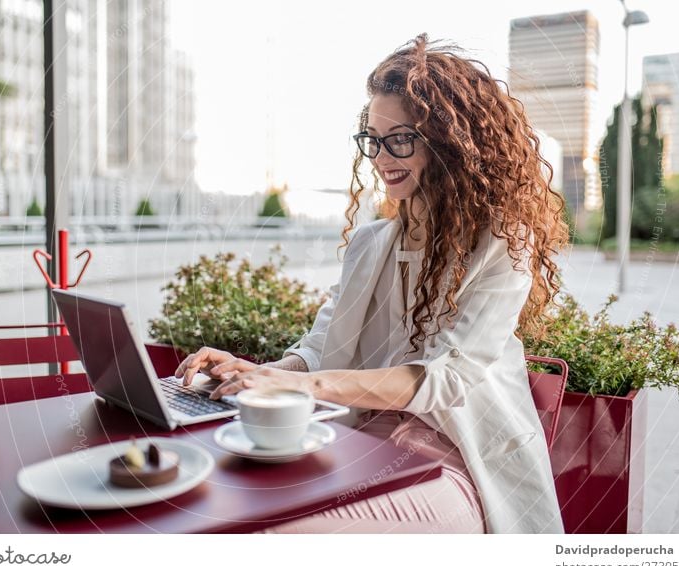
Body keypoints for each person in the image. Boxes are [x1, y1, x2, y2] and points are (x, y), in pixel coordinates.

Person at [175, 33, 569, 534]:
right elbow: (323, 346)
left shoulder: (500, 243)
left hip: (456, 465)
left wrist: (298, 383)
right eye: (374, 141)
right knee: (229, 510)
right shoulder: (371, 243)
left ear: (450, 143)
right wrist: (253, 372)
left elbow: (444, 378)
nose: (382, 159)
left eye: (401, 139)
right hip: (357, 446)